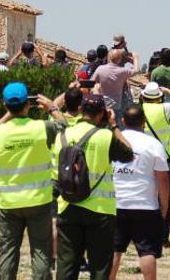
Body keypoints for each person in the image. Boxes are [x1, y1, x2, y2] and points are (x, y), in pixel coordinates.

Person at [0, 82, 66, 280]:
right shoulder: (42, 128)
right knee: (40, 250)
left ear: (5, 105)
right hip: (38, 200)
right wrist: (52, 107)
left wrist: (8, 113)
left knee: (8, 250)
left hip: (9, 202)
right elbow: (63, 125)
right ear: (27, 104)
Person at [54, 95, 134, 280]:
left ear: (81, 110)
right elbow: (128, 153)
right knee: (100, 265)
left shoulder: (62, 136)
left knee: (67, 264)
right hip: (100, 209)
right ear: (103, 114)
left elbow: (54, 172)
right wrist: (113, 125)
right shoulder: (106, 136)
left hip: (67, 206)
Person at [110, 106, 170, 280]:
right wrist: (163, 207)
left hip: (116, 203)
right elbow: (163, 179)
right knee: (147, 251)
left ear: (123, 121)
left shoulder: (112, 140)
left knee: (114, 249)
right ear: (144, 122)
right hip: (145, 204)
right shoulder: (153, 144)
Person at [139, 83, 170, 248]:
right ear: (159, 97)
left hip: (143, 161)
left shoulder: (138, 110)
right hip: (164, 160)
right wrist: (167, 90)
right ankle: (162, 237)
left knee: (145, 198)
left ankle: (142, 235)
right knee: (164, 199)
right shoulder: (165, 108)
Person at [92, 48, 140, 121]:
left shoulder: (100, 69)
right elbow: (136, 71)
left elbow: (91, 82)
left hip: (103, 105)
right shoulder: (122, 71)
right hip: (116, 106)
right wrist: (136, 58)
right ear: (120, 59)